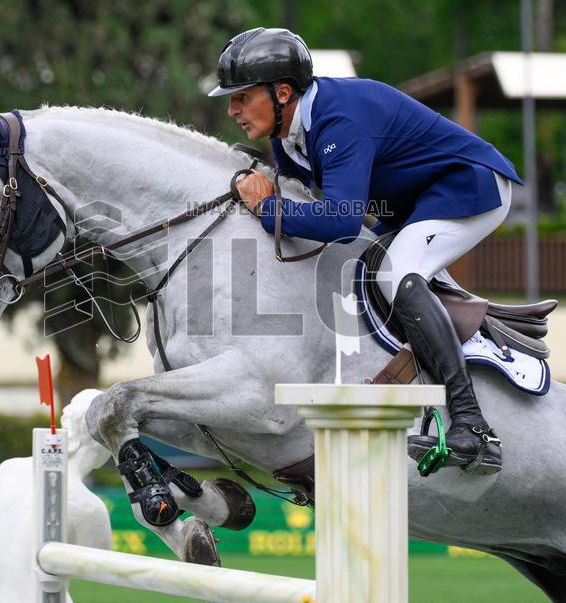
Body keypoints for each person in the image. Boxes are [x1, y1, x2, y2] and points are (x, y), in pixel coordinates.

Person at [208, 27, 522, 473]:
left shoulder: (339, 122)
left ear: (283, 93)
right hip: (415, 200)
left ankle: (474, 425)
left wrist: (266, 207)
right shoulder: (285, 136)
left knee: (396, 274)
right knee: (358, 267)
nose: (232, 109)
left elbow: (340, 221)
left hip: (470, 186)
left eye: (242, 97)